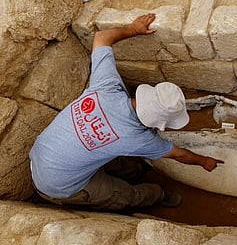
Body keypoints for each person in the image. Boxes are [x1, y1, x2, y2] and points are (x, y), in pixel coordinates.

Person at [29, 13, 224, 211]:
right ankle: (158, 195)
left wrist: (133, 29)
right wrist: (204, 161)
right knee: (123, 196)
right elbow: (179, 155)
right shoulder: (136, 138)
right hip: (58, 185)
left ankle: (134, 170)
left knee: (114, 155)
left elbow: (101, 38)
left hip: (43, 152)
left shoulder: (106, 87)